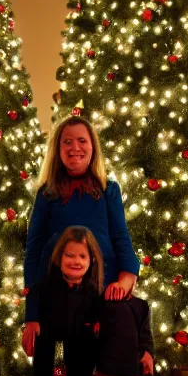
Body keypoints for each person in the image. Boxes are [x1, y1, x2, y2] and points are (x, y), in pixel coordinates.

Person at [22, 116, 139, 356]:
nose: (75, 147)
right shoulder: (47, 194)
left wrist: (126, 279)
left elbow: (121, 237)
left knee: (90, 370)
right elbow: (33, 250)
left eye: (82, 140)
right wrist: (32, 313)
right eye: (67, 142)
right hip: (58, 296)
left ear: (93, 147)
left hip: (101, 293)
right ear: (57, 149)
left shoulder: (108, 190)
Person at [27, 226, 103, 376]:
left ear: (91, 260)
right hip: (49, 330)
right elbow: (36, 298)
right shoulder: (46, 286)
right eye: (69, 255)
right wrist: (34, 320)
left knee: (80, 374)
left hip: (80, 336)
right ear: (59, 257)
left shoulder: (93, 291)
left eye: (82, 256)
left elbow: (97, 314)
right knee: (42, 371)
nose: (76, 261)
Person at [88, 284, 154, 376]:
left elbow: (145, 334)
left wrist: (147, 353)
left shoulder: (141, 306)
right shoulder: (103, 302)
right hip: (105, 374)